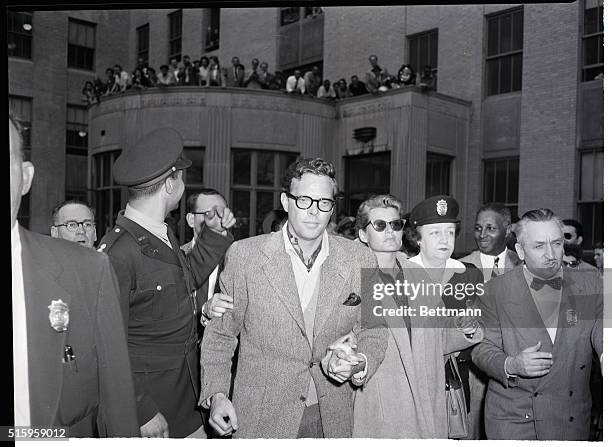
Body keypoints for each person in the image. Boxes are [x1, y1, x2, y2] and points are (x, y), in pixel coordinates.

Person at [199, 158, 388, 438]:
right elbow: (222, 336)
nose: (314, 212)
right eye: (304, 201)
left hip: (330, 418)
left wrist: (358, 361)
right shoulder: (245, 256)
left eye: (324, 202)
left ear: (333, 207)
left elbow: (374, 328)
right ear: (286, 202)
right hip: (262, 418)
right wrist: (216, 395)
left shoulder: (360, 257)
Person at [97, 128, 235, 438]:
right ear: (171, 185)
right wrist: (141, 411)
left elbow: (182, 280)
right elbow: (104, 346)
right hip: (152, 410)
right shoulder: (119, 252)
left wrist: (216, 235)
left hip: (184, 398)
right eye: (182, 178)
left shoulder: (160, 233)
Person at [10, 114, 140, 437]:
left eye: (86, 225)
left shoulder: (92, 272)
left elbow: (116, 397)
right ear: (55, 230)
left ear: (25, 178)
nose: (81, 231)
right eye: (72, 225)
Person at [351, 194, 481, 438]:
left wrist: (463, 327)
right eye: (380, 225)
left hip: (426, 400)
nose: (390, 231)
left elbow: (438, 336)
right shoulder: (353, 279)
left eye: (396, 224)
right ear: (362, 235)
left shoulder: (420, 276)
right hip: (382, 403)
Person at [472, 208, 602, 440]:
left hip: (570, 418)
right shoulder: (495, 290)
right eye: (539, 246)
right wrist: (511, 365)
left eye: (557, 243)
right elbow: (481, 348)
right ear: (520, 251)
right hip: (515, 419)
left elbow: (603, 330)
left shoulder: (591, 282)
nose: (551, 254)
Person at [406, 195, 485, 439]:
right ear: (417, 237)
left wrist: (471, 328)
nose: (444, 240)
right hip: (413, 382)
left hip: (454, 379)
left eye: (450, 232)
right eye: (435, 233)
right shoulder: (401, 276)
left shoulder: (468, 276)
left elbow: (480, 327)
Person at [181, 189, 234, 327]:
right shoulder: (176, 258)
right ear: (191, 220)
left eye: (222, 213)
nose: (217, 220)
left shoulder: (239, 261)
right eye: (209, 213)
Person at [460, 203, 522, 283]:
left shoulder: (522, 265)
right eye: (478, 228)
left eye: (490, 228)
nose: (482, 235)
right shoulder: (458, 268)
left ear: (507, 230)